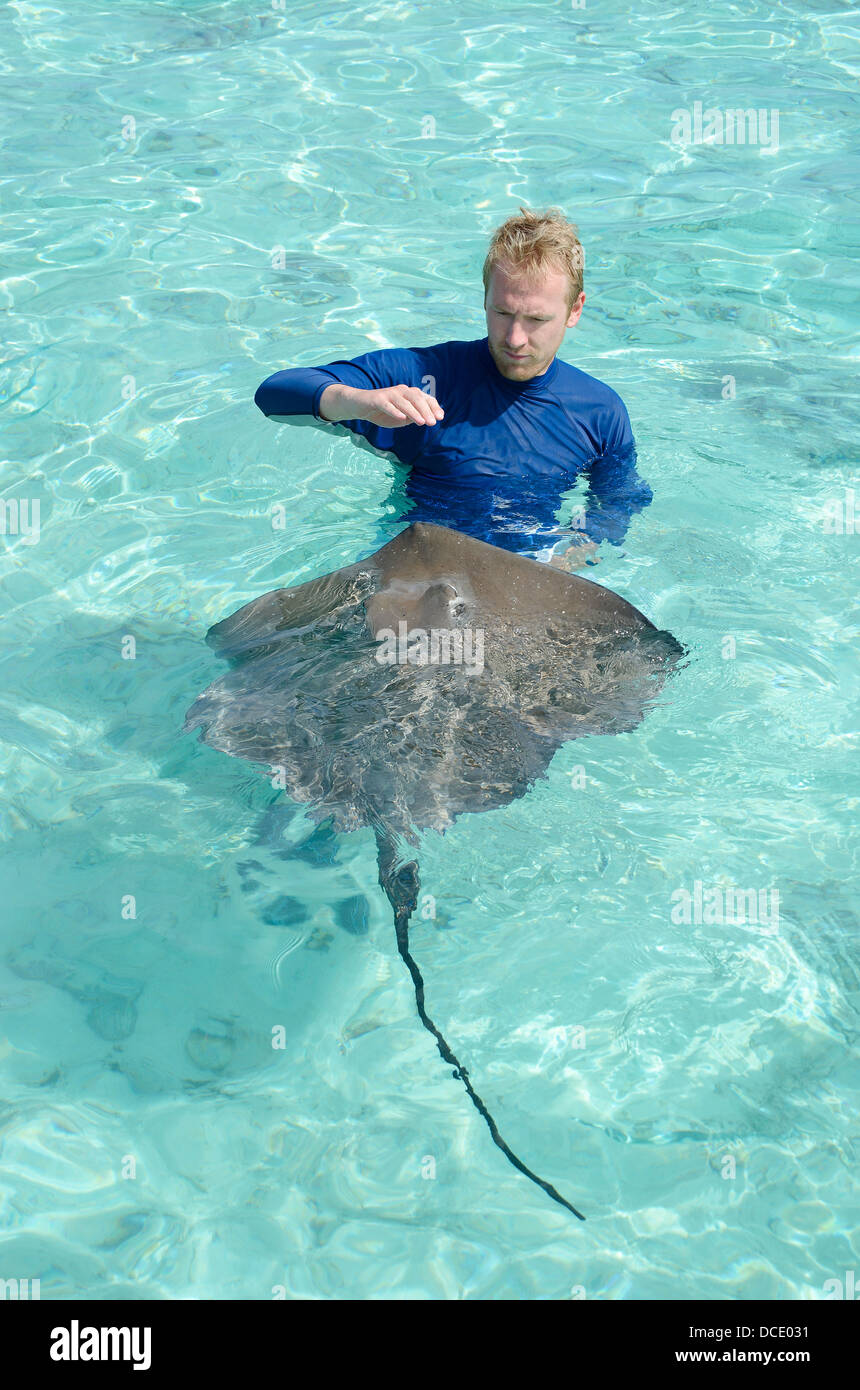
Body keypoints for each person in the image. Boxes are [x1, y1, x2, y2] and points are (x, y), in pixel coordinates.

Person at [254, 207, 652, 568]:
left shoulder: (599, 411)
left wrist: (573, 554)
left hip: (531, 575)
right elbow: (272, 394)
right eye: (501, 312)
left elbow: (619, 500)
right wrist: (355, 402)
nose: (514, 337)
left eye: (536, 320)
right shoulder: (425, 377)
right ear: (484, 298)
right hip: (414, 575)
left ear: (575, 310)